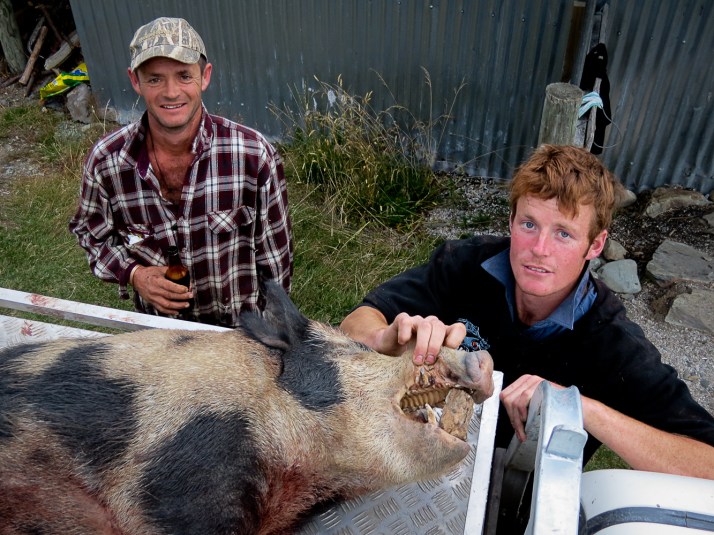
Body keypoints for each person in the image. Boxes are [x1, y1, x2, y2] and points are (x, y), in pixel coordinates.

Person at [340, 145, 714, 482]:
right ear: (511, 222)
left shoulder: (614, 343)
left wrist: (579, 407)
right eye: (529, 224)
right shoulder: (464, 264)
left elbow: (707, 463)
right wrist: (385, 337)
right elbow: (356, 322)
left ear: (595, 245)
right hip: (420, 454)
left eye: (564, 233)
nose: (539, 249)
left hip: (518, 494)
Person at [69, 17, 293, 327]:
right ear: (135, 81)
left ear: (205, 76)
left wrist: (274, 334)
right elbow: (91, 235)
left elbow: (276, 262)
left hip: (240, 334)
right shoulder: (107, 162)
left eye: (184, 76)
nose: (171, 92)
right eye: (155, 79)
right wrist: (135, 274)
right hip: (160, 332)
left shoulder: (253, 156)